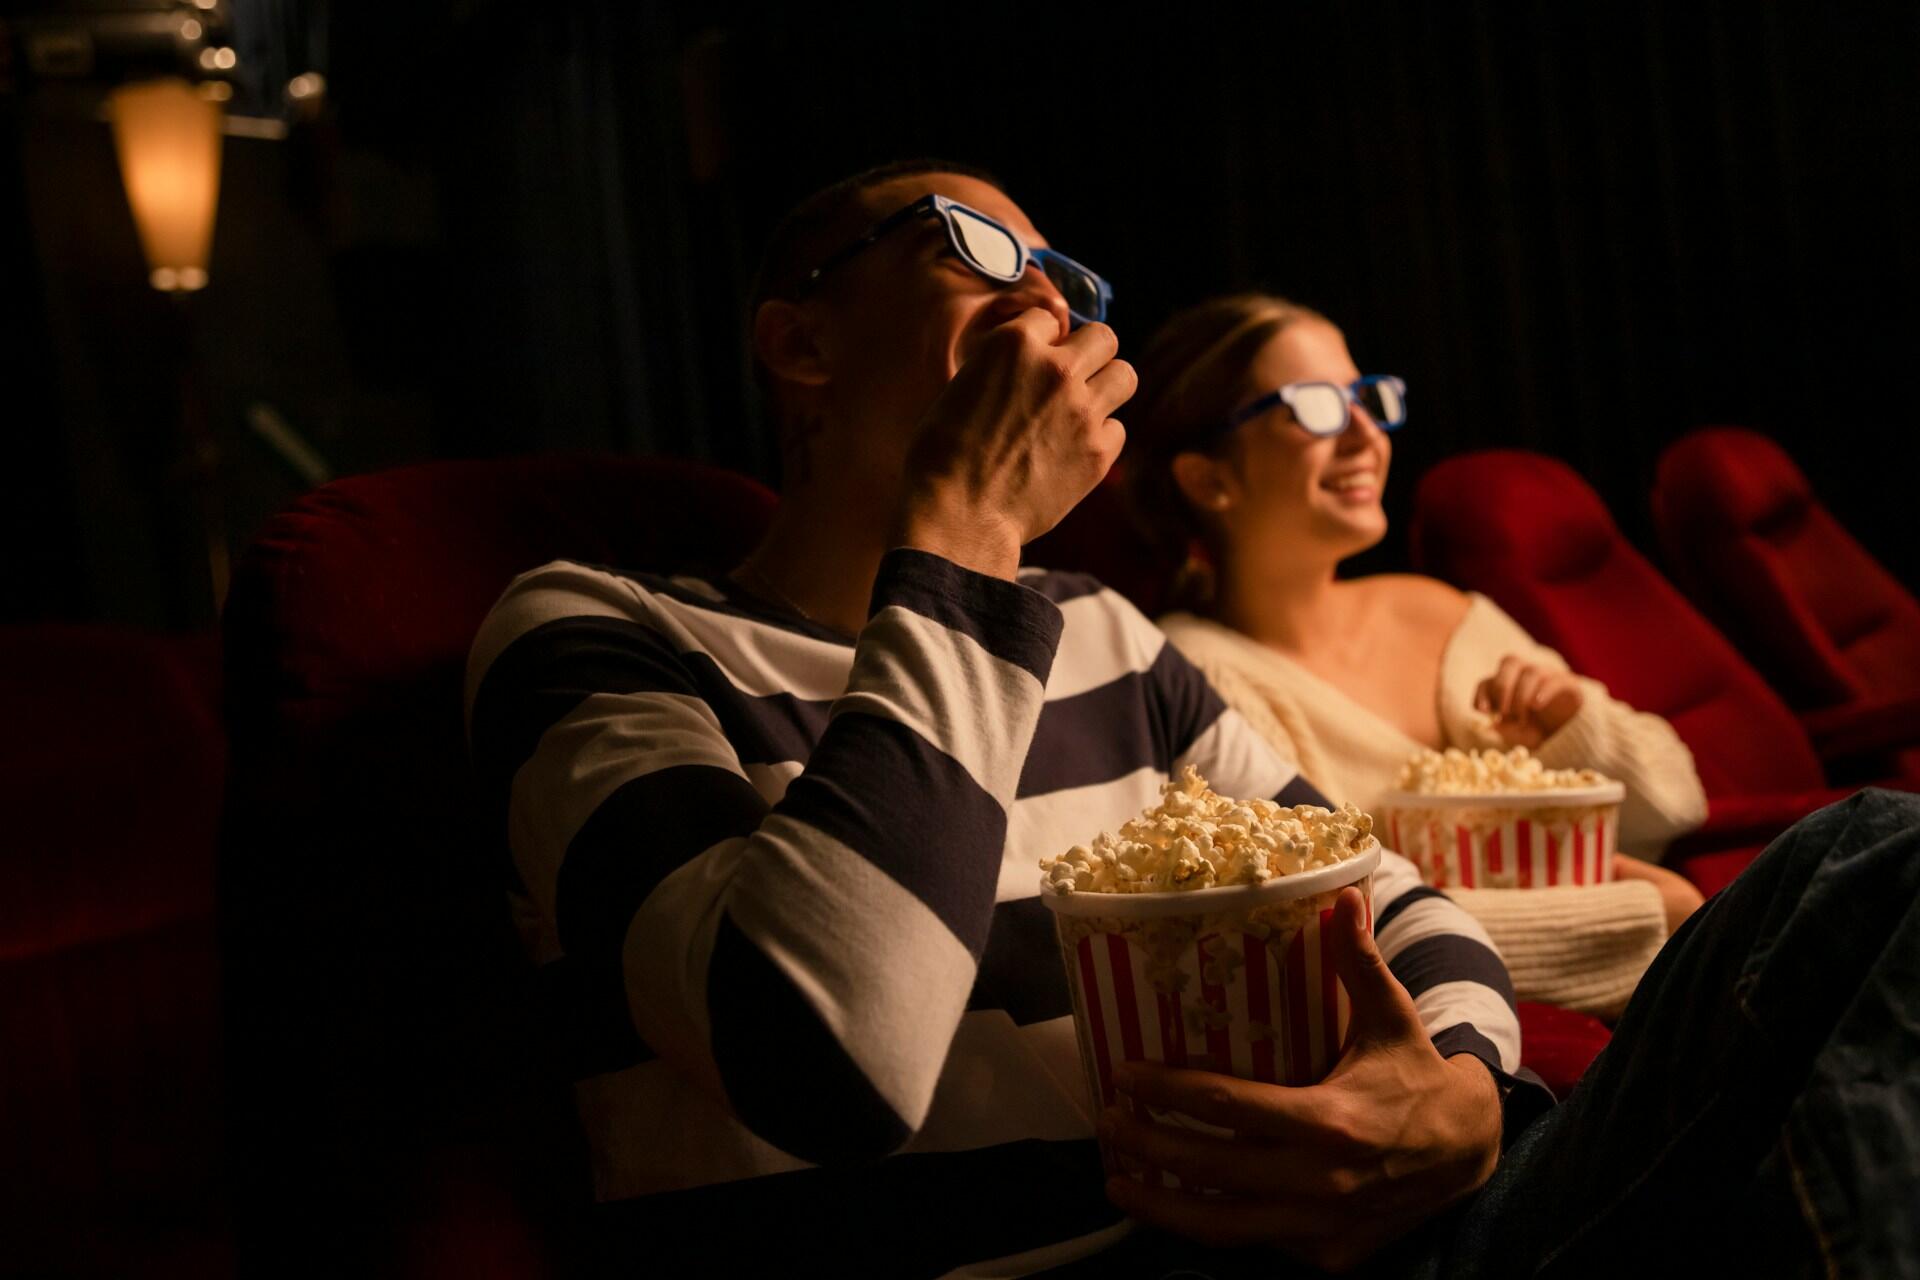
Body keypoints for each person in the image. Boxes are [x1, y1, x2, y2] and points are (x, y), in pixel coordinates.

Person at [465, 163, 1531, 1275]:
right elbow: (823, 1064)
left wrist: (1466, 1090)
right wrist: (969, 524)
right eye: (972, 246)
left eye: (1065, 277)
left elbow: (1387, 892)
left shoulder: (1100, 630)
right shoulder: (594, 629)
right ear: (801, 343)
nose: (1048, 305)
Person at [1122, 294, 1706, 1016]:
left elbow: (1676, 802)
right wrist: (1648, 919)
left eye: (1366, 399)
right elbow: (1316, 940)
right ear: (1209, 478)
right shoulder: (1197, 673)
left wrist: (1570, 723)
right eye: (1315, 406)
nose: (1366, 434)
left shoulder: (1438, 610)